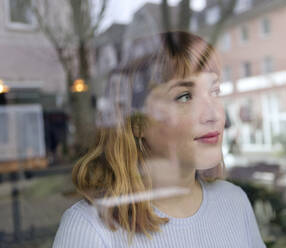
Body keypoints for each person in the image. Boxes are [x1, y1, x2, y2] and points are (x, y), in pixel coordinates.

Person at [53, 31, 266, 248]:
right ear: (136, 122)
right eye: (184, 97)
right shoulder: (89, 229)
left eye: (214, 91)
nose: (214, 115)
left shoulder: (234, 202)